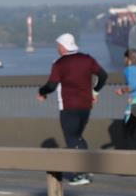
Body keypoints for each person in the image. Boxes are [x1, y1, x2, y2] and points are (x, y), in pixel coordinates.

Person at [37, 33, 108, 185]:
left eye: (58, 46)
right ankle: (87, 169)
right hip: (86, 106)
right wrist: (95, 92)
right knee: (78, 136)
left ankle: (80, 175)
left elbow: (51, 85)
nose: (58, 48)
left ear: (63, 47)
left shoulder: (59, 63)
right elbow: (103, 76)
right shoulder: (87, 59)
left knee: (72, 138)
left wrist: (41, 92)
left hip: (68, 106)